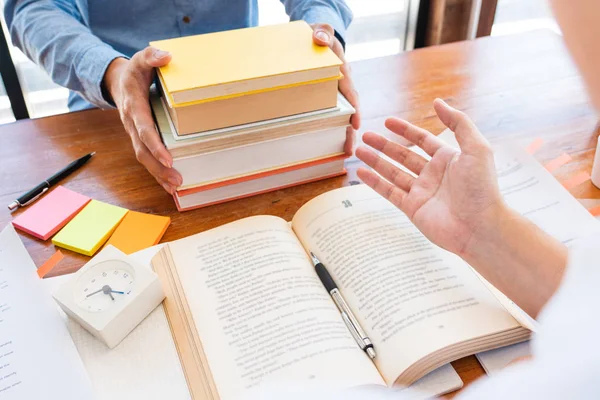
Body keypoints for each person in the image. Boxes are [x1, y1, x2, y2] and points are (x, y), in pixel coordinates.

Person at [4, 0, 359, 194]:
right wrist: (112, 73)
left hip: (247, 105)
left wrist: (324, 27)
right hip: (110, 114)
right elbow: (32, 9)